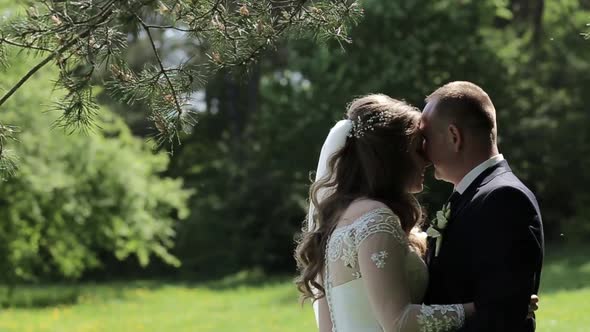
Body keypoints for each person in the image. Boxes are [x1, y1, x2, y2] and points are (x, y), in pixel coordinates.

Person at [420, 81, 544, 331]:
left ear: (454, 137)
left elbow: (499, 316)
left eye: (426, 138)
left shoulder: (504, 199)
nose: (422, 150)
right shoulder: (471, 195)